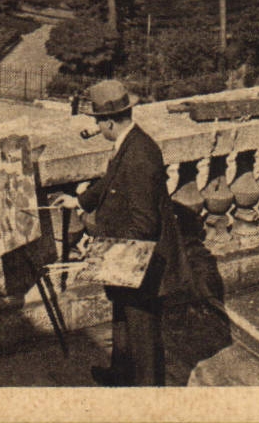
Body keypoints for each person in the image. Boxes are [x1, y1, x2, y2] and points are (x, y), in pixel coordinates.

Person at [57, 80, 178, 386]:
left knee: (143, 333)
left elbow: (144, 224)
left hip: (142, 262)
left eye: (98, 122)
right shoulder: (128, 142)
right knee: (122, 317)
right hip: (128, 258)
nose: (96, 128)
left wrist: (98, 229)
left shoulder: (139, 156)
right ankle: (119, 373)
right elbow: (109, 179)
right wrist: (81, 200)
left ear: (108, 121)